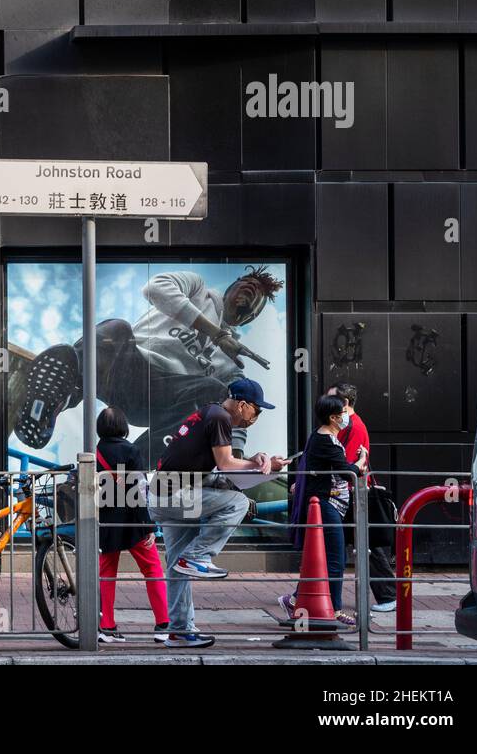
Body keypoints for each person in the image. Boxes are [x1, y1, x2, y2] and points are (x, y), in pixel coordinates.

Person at [17, 267, 284, 459]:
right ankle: (54, 401)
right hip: (126, 368)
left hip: (161, 397)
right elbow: (154, 288)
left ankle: (133, 461)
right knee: (116, 328)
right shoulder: (197, 290)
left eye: (258, 296)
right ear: (231, 286)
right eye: (247, 281)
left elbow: (235, 413)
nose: (252, 287)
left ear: (252, 317)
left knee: (214, 391)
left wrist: (236, 461)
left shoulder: (233, 364)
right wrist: (216, 333)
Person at [147, 378, 286, 648]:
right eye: (257, 411)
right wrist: (258, 466)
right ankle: (198, 556)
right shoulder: (220, 417)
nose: (256, 418)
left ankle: (179, 631)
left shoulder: (211, 413)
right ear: (243, 405)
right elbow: (225, 463)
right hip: (175, 496)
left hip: (165, 495)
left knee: (177, 566)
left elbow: (220, 466)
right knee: (238, 503)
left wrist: (256, 460)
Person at [280, 393, 368, 626]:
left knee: (321, 557)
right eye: (343, 413)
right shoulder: (325, 440)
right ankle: (336, 610)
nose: (346, 417)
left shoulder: (322, 437)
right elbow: (345, 470)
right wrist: (361, 462)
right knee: (335, 559)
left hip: (329, 504)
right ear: (332, 417)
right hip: (326, 504)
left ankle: (295, 599)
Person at [94, 406, 167, 644]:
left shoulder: (95, 451)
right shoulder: (131, 450)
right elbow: (139, 491)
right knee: (153, 569)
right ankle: (163, 625)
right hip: (134, 520)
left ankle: (107, 627)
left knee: (106, 574)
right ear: (123, 426)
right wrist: (148, 526)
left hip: (107, 520)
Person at [328, 383, 396, 613]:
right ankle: (388, 594)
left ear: (344, 403)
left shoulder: (355, 427)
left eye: (331, 400)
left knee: (364, 544)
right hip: (348, 492)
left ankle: (388, 594)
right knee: (363, 544)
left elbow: (346, 465)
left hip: (350, 494)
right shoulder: (349, 425)